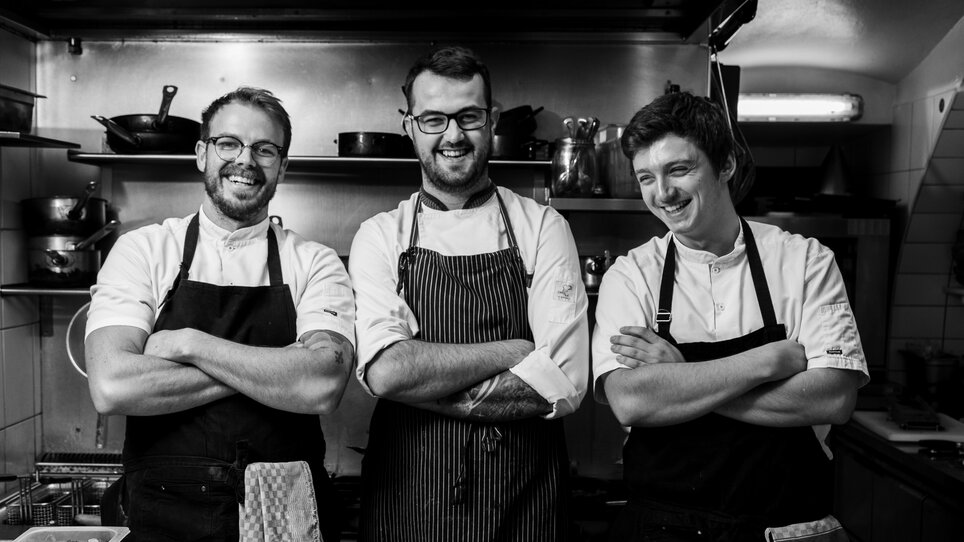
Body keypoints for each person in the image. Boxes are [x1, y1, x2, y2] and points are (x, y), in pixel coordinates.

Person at [592, 91, 869, 541]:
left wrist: (681, 378)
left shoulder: (805, 262)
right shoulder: (630, 275)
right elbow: (632, 400)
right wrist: (767, 364)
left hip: (785, 528)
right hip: (662, 529)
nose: (662, 193)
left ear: (725, 165)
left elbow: (833, 399)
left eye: (679, 169)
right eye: (646, 177)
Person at [85, 87, 355, 542]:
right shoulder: (145, 249)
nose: (245, 160)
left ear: (282, 166)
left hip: (284, 521)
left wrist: (190, 345)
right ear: (201, 154)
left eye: (264, 149)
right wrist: (276, 372)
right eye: (229, 144)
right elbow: (113, 386)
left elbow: (322, 385)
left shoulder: (315, 261)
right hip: (164, 519)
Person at [349, 45, 589, 542]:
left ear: (492, 119)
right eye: (434, 119)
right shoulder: (379, 235)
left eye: (469, 116)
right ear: (409, 126)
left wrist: (419, 380)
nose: (453, 135)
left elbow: (562, 381)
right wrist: (516, 352)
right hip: (409, 495)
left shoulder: (542, 227)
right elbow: (387, 370)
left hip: (525, 498)